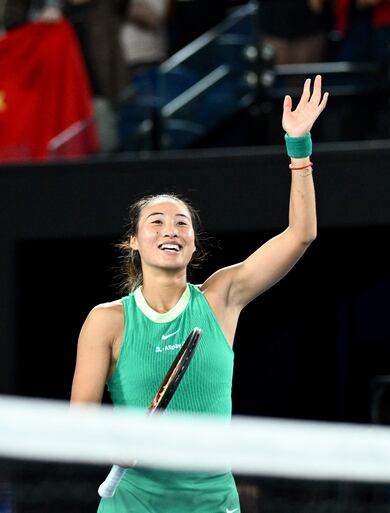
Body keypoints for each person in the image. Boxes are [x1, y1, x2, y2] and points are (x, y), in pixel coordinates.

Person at [70, 75, 329, 512]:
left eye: (181, 223)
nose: (170, 228)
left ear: (192, 242)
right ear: (133, 241)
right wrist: (111, 446)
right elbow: (79, 423)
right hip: (134, 504)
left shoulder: (221, 298)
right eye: (156, 221)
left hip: (212, 501)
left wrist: (298, 147)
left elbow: (301, 234)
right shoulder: (108, 320)